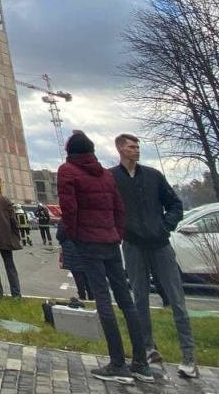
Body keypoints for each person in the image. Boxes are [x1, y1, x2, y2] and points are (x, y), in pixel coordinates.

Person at [58, 130, 153, 384]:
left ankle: (118, 363)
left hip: (88, 242)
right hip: (111, 242)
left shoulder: (68, 171)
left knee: (103, 299)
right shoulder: (105, 174)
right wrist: (116, 233)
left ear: (70, 152)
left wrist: (74, 236)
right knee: (126, 301)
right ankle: (141, 364)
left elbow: (69, 208)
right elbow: (118, 207)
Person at [112, 133, 198, 379]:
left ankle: (189, 356)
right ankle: (148, 348)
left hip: (160, 244)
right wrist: (121, 231)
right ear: (119, 149)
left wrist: (164, 226)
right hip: (133, 245)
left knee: (176, 299)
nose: (136, 150)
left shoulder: (152, 176)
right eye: (131, 147)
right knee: (139, 298)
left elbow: (175, 204)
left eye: (137, 146)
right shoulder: (112, 177)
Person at [56, 222, 92, 300]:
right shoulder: (86, 216)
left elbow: (59, 235)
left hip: (71, 248)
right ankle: (91, 295)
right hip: (86, 247)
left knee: (77, 273)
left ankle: (82, 295)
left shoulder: (66, 219)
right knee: (87, 273)